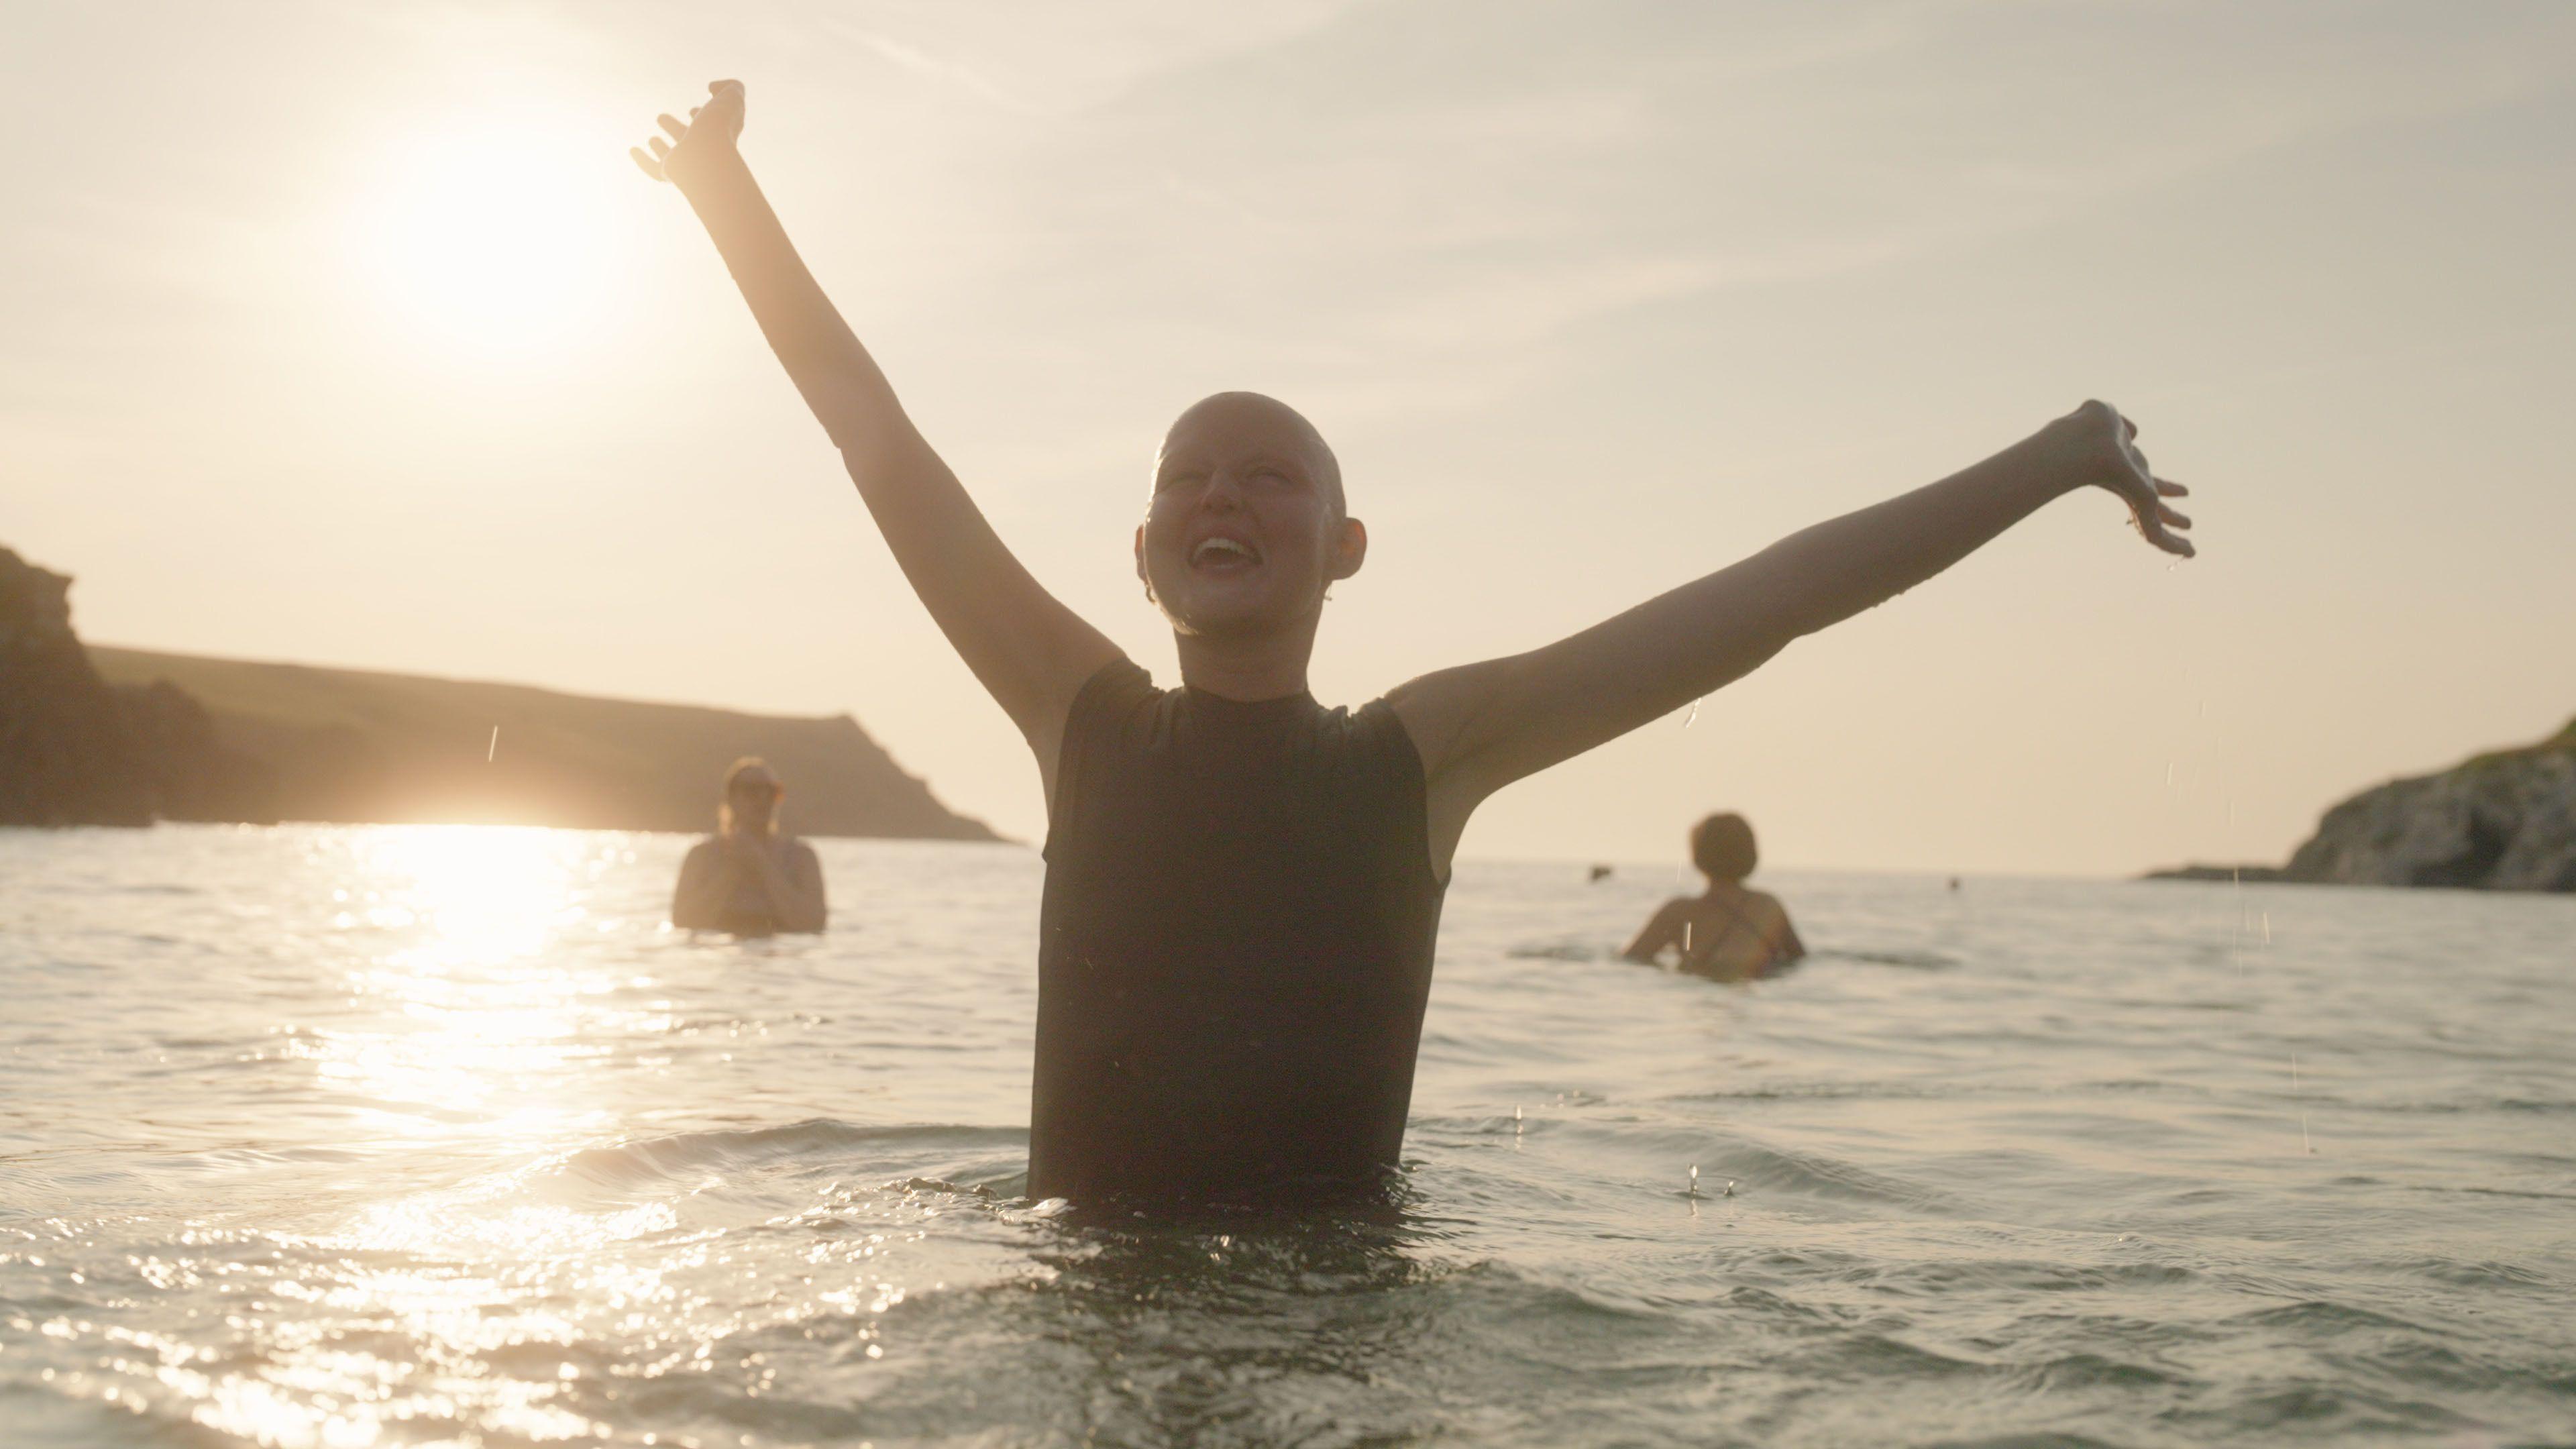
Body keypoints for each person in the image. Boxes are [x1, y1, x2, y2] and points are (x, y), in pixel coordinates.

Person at [632, 82, 2194, 1204]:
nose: (1218, 493)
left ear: (1344, 547)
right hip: (1090, 1306)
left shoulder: (1419, 751)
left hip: (1341, 1320)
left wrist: (2049, 459)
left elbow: (1765, 598)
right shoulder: (1075, 708)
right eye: (1184, 474)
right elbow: (875, 438)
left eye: (1268, 474)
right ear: (1144, 551)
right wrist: (725, 200)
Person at [1623, 814, 1804, 981]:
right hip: (1754, 991)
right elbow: (1798, 959)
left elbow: (1633, 959)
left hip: (1697, 986)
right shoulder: (1769, 906)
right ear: (1752, 855)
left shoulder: (1680, 911)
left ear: (1697, 857)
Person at [671, 756, 828, 935]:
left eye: (771, 791)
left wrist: (763, 866)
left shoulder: (801, 856)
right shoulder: (702, 855)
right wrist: (733, 870)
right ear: (730, 798)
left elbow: (815, 924)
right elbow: (683, 921)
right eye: (751, 790)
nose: (763, 799)